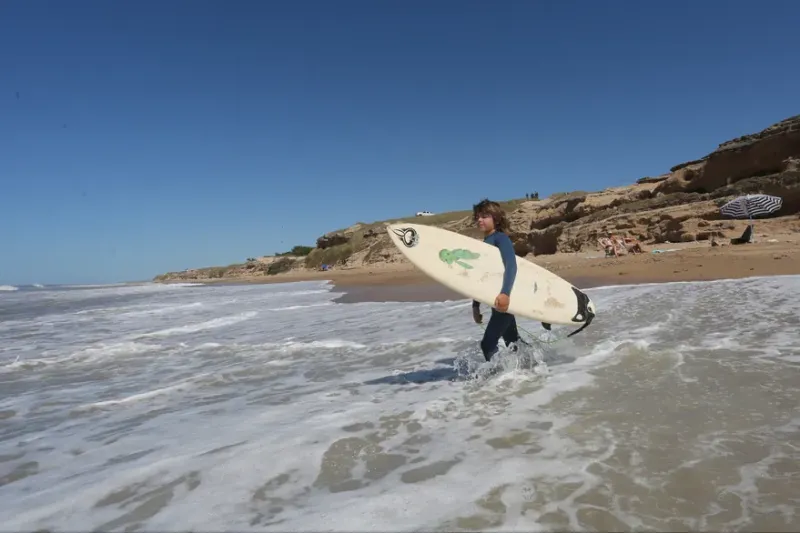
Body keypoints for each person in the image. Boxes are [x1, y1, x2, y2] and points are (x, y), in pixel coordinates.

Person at [471, 199, 521, 361]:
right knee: (513, 344)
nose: (479, 219)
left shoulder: (501, 238)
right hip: (496, 303)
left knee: (487, 345)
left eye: (485, 216)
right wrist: (475, 305)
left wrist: (505, 293)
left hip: (502, 302)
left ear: (496, 219)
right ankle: (529, 371)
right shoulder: (485, 243)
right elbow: (481, 277)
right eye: (478, 216)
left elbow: (511, 266)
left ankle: (496, 379)